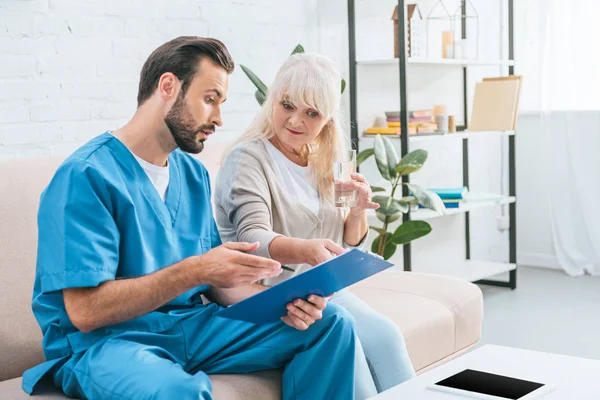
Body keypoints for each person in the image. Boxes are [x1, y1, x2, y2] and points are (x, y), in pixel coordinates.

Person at [22, 37, 358, 400]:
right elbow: (85, 311)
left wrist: (286, 303)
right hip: (107, 342)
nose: (218, 117)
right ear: (168, 86)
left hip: (189, 327)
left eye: (221, 103)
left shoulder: (192, 175)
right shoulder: (86, 176)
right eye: (210, 98)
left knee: (331, 325)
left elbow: (220, 284)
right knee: (175, 391)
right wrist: (195, 270)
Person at [214, 53, 416, 399]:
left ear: (327, 119)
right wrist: (305, 250)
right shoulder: (248, 158)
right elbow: (251, 237)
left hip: (319, 291)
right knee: (350, 348)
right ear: (272, 99)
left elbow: (344, 248)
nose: (295, 121)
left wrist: (355, 214)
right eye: (287, 105)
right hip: (269, 295)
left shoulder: (328, 161)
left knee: (386, 335)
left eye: (312, 113)